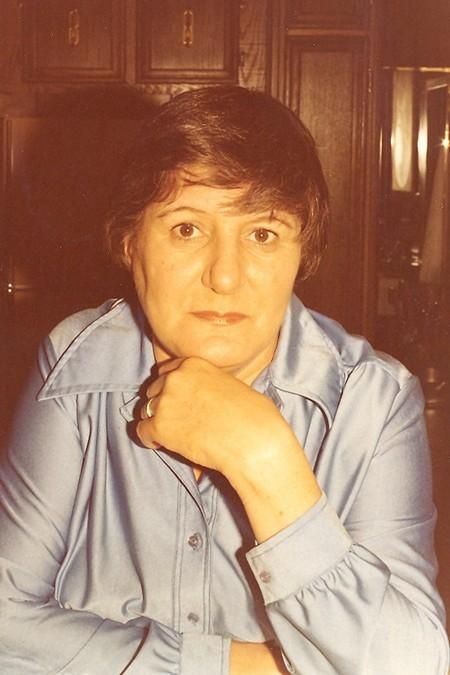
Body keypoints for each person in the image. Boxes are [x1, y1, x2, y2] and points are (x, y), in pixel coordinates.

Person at [0, 85, 448, 675]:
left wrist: (265, 461)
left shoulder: (373, 401)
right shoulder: (72, 363)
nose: (225, 276)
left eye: (262, 234)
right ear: (130, 241)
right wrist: (241, 666)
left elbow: (414, 666)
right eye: (188, 228)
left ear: (302, 253)